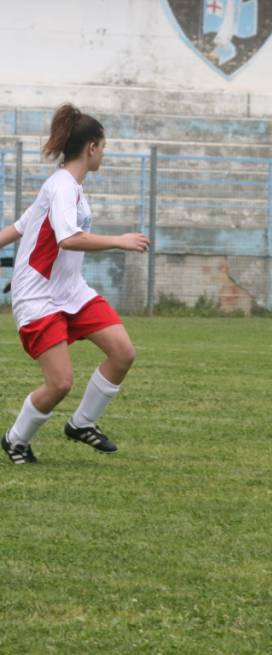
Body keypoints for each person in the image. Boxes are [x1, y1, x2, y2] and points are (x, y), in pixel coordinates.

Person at [0, 104, 149, 464]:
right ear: (92, 148)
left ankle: (82, 423)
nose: (104, 154)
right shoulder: (62, 187)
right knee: (60, 383)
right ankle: (16, 440)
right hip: (38, 297)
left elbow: (20, 227)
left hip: (72, 292)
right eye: (103, 147)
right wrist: (119, 240)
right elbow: (68, 239)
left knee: (123, 352)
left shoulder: (68, 188)